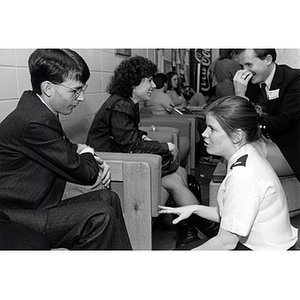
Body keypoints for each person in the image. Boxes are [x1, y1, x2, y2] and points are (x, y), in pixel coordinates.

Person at [0, 49, 132, 250]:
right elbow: (85, 174)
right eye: (75, 90)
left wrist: (88, 154)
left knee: (108, 198)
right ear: (48, 88)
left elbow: (64, 147)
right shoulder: (35, 121)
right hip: (13, 215)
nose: (81, 98)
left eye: (82, 89)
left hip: (34, 203)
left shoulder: (39, 110)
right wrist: (87, 152)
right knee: (99, 215)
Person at [87, 56, 218, 248]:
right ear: (133, 83)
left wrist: (143, 137)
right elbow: (130, 146)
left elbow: (126, 135)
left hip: (123, 158)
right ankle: (210, 229)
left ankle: (190, 230)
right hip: (111, 167)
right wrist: (166, 147)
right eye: (148, 80)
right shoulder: (121, 105)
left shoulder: (127, 102)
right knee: (175, 178)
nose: (153, 86)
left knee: (180, 172)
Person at [159, 95, 298, 250]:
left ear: (237, 136)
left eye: (212, 129)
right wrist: (195, 209)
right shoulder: (249, 155)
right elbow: (232, 215)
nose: (204, 134)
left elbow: (226, 242)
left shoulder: (243, 176)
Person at [233, 49, 300, 181]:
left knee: (237, 154)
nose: (245, 71)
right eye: (242, 66)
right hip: (261, 140)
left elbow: (282, 123)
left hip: (289, 147)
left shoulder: (294, 79)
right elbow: (237, 120)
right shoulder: (250, 83)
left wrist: (241, 98)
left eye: (249, 65)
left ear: (268, 60)